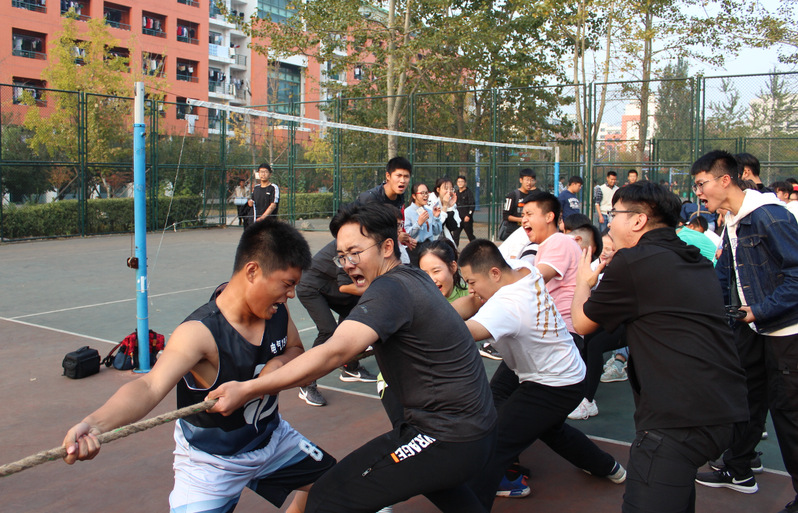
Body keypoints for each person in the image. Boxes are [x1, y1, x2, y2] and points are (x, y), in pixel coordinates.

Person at [207, 202, 498, 513]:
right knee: (443, 484)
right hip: (475, 430)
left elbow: (335, 351)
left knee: (326, 498)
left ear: (387, 248)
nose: (347, 264)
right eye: (342, 256)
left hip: (446, 435)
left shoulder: (389, 289)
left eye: (355, 253)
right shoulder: (414, 277)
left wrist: (248, 388)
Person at [62, 219, 336, 513]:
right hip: (210, 463)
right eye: (287, 284)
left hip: (272, 440)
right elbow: (149, 386)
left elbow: (295, 349)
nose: (291, 294)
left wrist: (277, 365)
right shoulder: (199, 332)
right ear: (252, 271)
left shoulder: (277, 310)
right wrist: (95, 424)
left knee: (337, 485)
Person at [571, 180, 749, 513]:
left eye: (615, 214)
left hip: (677, 419)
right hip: (726, 409)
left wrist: (582, 282)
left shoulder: (633, 261)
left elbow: (582, 323)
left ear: (638, 220)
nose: (609, 222)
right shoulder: (694, 258)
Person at [452, 240, 625, 507]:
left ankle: (477, 499)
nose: (471, 289)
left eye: (472, 282)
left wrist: (415, 320)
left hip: (555, 383)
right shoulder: (521, 269)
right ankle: (607, 466)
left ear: (494, 273)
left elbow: (458, 335)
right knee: (545, 427)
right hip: (556, 365)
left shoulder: (508, 305)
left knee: (494, 443)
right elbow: (473, 302)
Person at [690, 151, 798, 513]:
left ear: (725, 180)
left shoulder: (769, 215)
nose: (698, 192)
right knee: (745, 399)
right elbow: (727, 276)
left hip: (784, 332)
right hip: (753, 328)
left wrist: (761, 310)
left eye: (701, 184)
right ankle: (739, 466)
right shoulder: (732, 221)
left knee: (789, 416)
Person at [295, 240, 378, 407]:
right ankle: (306, 382)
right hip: (311, 287)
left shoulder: (377, 242)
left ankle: (350, 367)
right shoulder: (349, 242)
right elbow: (344, 285)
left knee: (356, 314)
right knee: (329, 331)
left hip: (328, 285)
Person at [404, 182, 442, 266]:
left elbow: (436, 231)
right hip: (414, 249)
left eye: (427, 193)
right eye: (422, 193)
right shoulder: (407, 212)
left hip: (428, 248)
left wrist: (436, 217)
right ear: (414, 196)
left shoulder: (429, 211)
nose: (425, 195)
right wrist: (418, 223)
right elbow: (406, 234)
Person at [499, 168, 536, 240]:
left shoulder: (533, 196)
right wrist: (521, 220)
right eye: (527, 180)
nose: (529, 183)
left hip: (527, 233)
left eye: (532, 180)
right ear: (521, 180)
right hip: (512, 233)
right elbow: (506, 216)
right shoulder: (512, 195)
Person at [428, 176, 461, 244]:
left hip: (445, 239)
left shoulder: (450, 201)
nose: (449, 191)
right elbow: (436, 226)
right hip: (431, 240)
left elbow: (453, 227)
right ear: (438, 190)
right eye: (446, 188)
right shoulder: (430, 201)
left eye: (451, 189)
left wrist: (449, 207)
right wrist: (445, 206)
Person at [453, 175, 476, 245]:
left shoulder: (468, 192)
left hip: (466, 219)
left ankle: (476, 247)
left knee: (470, 235)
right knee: (455, 235)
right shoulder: (456, 193)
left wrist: (468, 215)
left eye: (462, 181)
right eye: (458, 182)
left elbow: (472, 205)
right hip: (458, 219)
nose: (460, 183)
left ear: (465, 183)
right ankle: (455, 249)